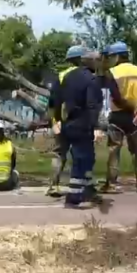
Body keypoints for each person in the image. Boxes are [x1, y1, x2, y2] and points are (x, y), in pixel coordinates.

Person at [53, 48, 104, 208]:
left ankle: (88, 190)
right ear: (91, 62)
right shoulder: (91, 79)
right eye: (97, 61)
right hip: (83, 125)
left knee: (86, 158)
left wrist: (57, 120)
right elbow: (92, 105)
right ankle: (74, 196)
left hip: (68, 124)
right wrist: (96, 127)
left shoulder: (68, 76)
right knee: (82, 159)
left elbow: (57, 100)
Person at [99, 41, 137, 194]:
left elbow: (116, 97)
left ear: (117, 56)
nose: (110, 60)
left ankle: (111, 184)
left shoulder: (112, 72)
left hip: (118, 116)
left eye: (111, 57)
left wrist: (131, 108)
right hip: (135, 118)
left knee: (114, 151)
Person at [46, 45, 88, 197]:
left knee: (59, 154)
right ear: (81, 59)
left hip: (63, 122)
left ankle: (53, 186)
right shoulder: (87, 76)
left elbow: (53, 102)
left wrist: (55, 121)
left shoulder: (61, 76)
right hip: (81, 123)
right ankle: (83, 187)